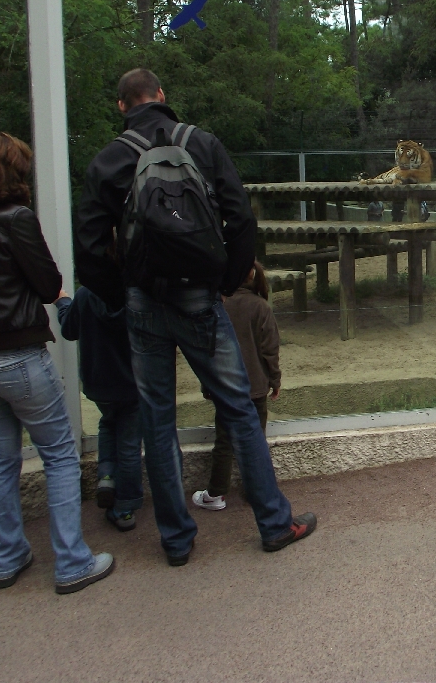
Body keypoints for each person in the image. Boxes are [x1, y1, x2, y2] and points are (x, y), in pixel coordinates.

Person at [75, 68, 315, 565]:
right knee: (238, 409)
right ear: (162, 96)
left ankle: (177, 541)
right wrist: (228, 282)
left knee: (157, 420)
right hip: (201, 299)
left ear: (122, 106)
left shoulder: (110, 160)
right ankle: (274, 523)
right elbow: (240, 216)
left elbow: (89, 246)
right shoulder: (202, 144)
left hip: (143, 303)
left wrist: (118, 296)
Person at [0, 133, 113, 594]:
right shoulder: (16, 219)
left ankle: (6, 557)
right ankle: (73, 562)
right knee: (59, 456)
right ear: (12, 173)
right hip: (16, 356)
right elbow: (47, 282)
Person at [193, 261, 281, 510]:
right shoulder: (261, 306)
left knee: (224, 442)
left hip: (226, 388)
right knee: (256, 440)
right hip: (256, 387)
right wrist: (274, 380)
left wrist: (207, 385)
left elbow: (207, 351)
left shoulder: (219, 306)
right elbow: (270, 350)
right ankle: (257, 491)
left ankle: (216, 493)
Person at [57, 286, 143, 531]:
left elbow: (69, 329)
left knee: (107, 423)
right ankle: (124, 508)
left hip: (99, 384)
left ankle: (107, 476)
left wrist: (63, 303)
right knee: (129, 445)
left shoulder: (86, 294)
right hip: (131, 384)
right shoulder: (135, 295)